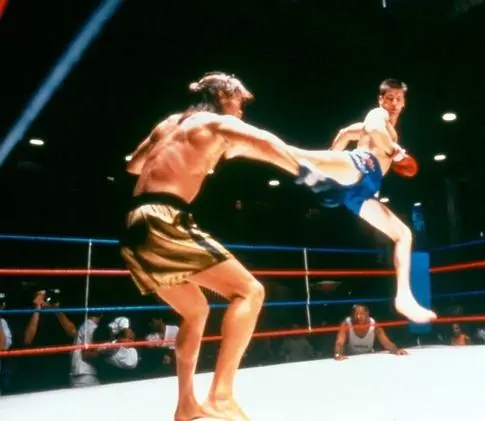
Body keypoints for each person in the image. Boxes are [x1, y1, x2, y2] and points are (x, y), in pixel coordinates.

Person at [120, 71, 314, 421]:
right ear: (223, 95)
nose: (241, 110)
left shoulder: (169, 123)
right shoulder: (214, 122)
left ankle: (186, 406)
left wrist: (183, 157)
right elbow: (267, 142)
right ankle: (220, 397)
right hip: (164, 218)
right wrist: (312, 174)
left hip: (133, 224)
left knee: (196, 311)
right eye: (239, 101)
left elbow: (133, 164)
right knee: (250, 291)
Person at [290, 79, 437, 324]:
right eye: (389, 98)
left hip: (364, 191)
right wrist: (394, 152)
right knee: (301, 159)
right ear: (381, 99)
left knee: (403, 235)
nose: (393, 103)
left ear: (404, 103)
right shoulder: (378, 115)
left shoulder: (388, 131)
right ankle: (311, 170)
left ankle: (404, 298)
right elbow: (375, 128)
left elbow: (344, 133)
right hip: (360, 167)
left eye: (398, 99)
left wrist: (333, 158)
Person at [334, 304, 407, 360]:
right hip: (351, 357)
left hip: (368, 357)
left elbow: (386, 342)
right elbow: (339, 342)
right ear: (352, 315)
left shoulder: (374, 325)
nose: (359, 317)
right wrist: (338, 354)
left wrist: (395, 350)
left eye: (361, 314)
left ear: (367, 314)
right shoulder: (346, 324)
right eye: (356, 314)